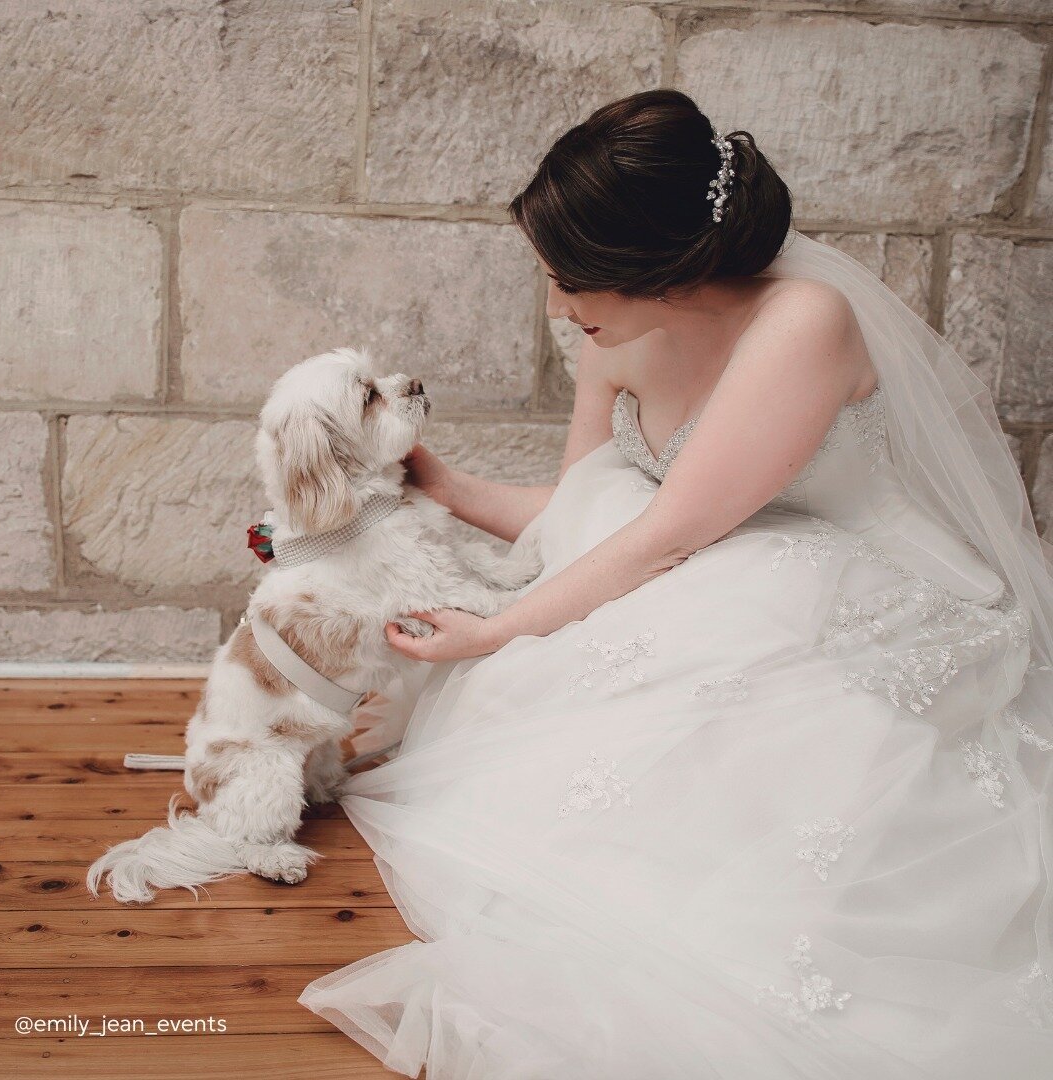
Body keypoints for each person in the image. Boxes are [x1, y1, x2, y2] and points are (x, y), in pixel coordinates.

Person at [299, 89, 1053, 1078]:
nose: (558, 308)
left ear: (650, 269)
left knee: (766, 747)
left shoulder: (804, 322)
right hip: (707, 566)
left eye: (571, 281)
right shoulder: (613, 337)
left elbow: (668, 535)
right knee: (615, 700)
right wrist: (432, 480)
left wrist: (497, 631)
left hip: (842, 582)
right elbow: (579, 517)